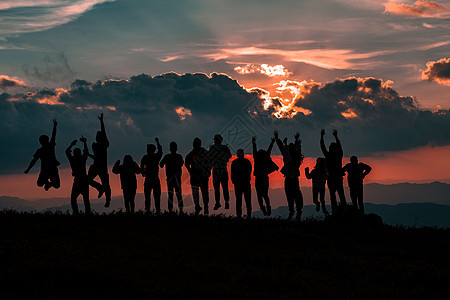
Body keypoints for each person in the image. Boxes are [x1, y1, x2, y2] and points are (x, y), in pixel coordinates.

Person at [274, 131, 304, 220]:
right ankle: (296, 211)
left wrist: (277, 139)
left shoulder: (288, 156)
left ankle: (293, 211)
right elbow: (296, 149)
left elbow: (282, 148)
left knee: (290, 196)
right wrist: (296, 140)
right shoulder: (296, 157)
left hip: (289, 179)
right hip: (293, 179)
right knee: (295, 196)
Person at [24, 119, 61, 191]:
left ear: (41, 142)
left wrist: (28, 169)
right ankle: (48, 183)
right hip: (52, 169)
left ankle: (48, 183)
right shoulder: (50, 147)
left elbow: (33, 161)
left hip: (45, 170)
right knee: (56, 185)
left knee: (40, 184)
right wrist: (55, 126)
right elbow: (53, 136)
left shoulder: (40, 150)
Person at [88, 113, 112, 208]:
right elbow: (95, 157)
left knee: (106, 184)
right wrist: (89, 155)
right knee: (89, 180)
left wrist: (101, 121)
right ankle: (100, 188)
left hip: (100, 167)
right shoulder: (96, 145)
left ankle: (107, 199)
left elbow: (104, 131)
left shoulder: (104, 144)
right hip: (96, 166)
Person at [320, 129, 346, 213]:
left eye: (331, 147)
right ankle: (337, 209)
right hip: (333, 177)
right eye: (330, 147)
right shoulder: (336, 155)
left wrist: (323, 136)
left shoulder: (335, 155)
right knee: (335, 194)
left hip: (335, 177)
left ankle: (340, 209)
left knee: (338, 194)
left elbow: (323, 146)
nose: (330, 149)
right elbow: (323, 146)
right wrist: (322, 137)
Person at [252, 136, 278, 216]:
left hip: (258, 178)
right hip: (264, 178)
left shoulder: (256, 158)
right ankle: (268, 207)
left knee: (259, 195)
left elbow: (254, 150)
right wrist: (272, 143)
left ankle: (263, 208)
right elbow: (269, 150)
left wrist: (253, 143)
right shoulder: (265, 158)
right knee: (265, 194)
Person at [185, 138, 211, 215]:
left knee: (199, 192)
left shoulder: (192, 154)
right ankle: (202, 207)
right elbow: (210, 162)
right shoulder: (204, 153)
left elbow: (186, 163)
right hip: (200, 176)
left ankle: (201, 206)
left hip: (198, 176)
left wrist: (190, 171)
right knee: (203, 192)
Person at [65, 136, 91, 215]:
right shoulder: (82, 159)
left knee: (73, 199)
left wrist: (71, 145)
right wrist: (85, 142)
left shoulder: (72, 159)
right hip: (84, 180)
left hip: (78, 180)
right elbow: (86, 152)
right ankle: (88, 214)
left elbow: (66, 151)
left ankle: (76, 213)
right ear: (80, 153)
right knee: (85, 199)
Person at [208, 134, 232, 210]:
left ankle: (218, 203)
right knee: (225, 187)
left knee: (217, 188)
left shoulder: (212, 148)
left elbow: (209, 158)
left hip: (216, 170)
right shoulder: (225, 148)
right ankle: (226, 202)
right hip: (223, 170)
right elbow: (229, 156)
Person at [160, 142, 184, 213]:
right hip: (174, 179)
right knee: (177, 195)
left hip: (172, 179)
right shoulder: (178, 157)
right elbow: (161, 164)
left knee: (173, 195)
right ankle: (179, 210)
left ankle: (173, 210)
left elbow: (161, 164)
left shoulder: (168, 157)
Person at [140, 137, 163, 214]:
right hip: (154, 178)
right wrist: (158, 142)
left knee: (148, 196)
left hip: (149, 178)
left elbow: (142, 166)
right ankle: (157, 210)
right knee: (156, 196)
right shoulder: (155, 157)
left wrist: (143, 173)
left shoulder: (145, 157)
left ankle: (148, 210)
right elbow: (160, 151)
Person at [231, 149, 252, 219]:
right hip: (245, 183)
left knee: (239, 200)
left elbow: (232, 174)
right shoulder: (247, 162)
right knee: (247, 200)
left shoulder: (234, 162)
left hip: (238, 184)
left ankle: (239, 216)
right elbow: (250, 171)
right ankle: (248, 215)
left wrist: (234, 181)